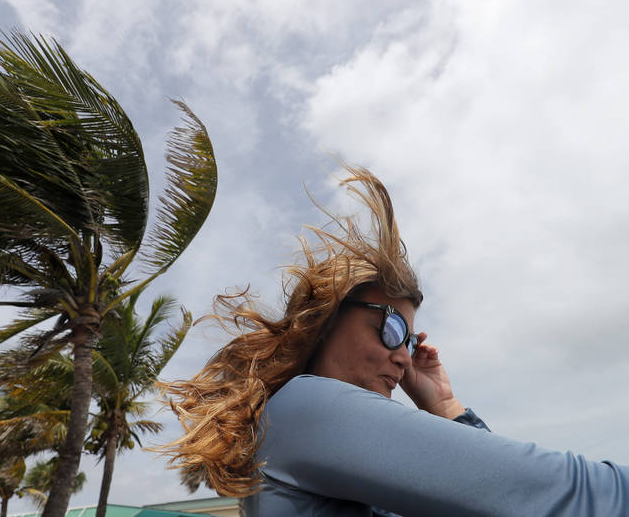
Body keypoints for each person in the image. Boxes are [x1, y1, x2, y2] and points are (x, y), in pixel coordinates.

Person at [156, 166, 629, 516]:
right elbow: (567, 495)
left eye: (410, 336)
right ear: (323, 323)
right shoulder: (307, 407)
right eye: (391, 327)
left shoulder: (310, 437)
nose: (404, 357)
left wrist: (444, 404)